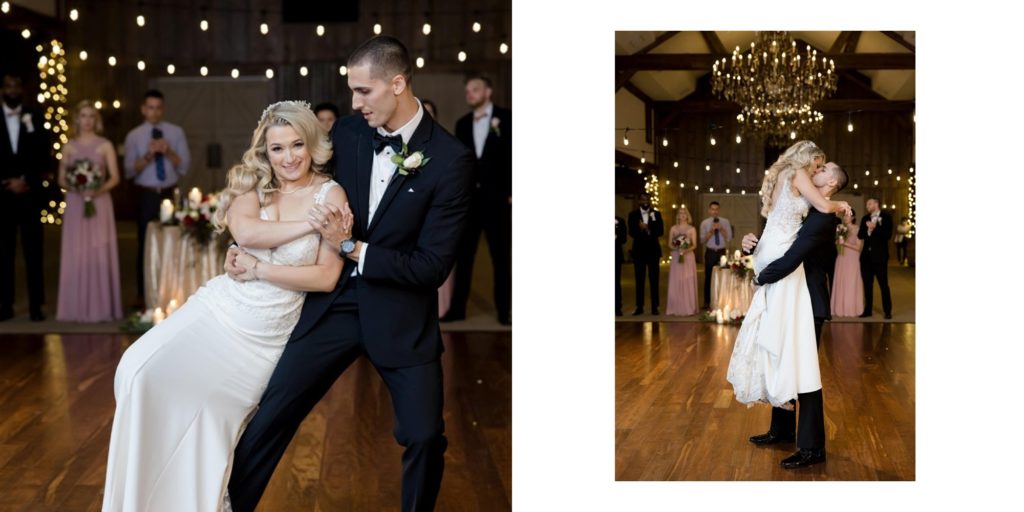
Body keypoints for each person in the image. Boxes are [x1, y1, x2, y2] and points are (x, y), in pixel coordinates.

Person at [225, 36, 474, 512]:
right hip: (332, 305)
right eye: (353, 92)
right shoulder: (348, 134)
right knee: (267, 419)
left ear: (397, 83)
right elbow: (284, 179)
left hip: (402, 315)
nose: (354, 102)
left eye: (364, 91)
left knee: (424, 436)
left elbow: (432, 267)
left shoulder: (450, 160)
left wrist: (351, 246)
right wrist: (242, 243)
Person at [103, 101, 349, 511]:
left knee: (206, 416)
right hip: (219, 309)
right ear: (264, 151)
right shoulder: (254, 184)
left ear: (311, 145)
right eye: (277, 148)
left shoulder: (330, 193)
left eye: (296, 145)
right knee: (136, 369)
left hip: (264, 333)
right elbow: (247, 232)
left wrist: (258, 269)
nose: (288, 158)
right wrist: (314, 224)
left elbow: (325, 277)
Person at [729, 144, 850, 470]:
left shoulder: (824, 217)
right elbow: (780, 231)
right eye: (818, 166)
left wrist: (760, 277)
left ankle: (812, 448)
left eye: (824, 170)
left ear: (831, 185)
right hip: (791, 295)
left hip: (809, 302)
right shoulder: (810, 207)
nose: (817, 170)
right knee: (782, 360)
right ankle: (781, 430)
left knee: (805, 373)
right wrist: (753, 243)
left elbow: (794, 256)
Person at [448, 74, 512, 324]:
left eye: (475, 89)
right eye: (467, 91)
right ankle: (457, 309)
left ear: (488, 91)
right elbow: (460, 164)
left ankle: (503, 311)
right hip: (469, 202)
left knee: (501, 257)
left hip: (498, 199)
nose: (470, 94)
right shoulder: (462, 123)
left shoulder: (508, 119)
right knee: (463, 257)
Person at [123, 89, 191, 308]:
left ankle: (173, 292)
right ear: (144, 109)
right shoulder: (134, 136)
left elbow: (185, 166)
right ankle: (143, 294)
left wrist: (168, 151)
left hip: (169, 192)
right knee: (145, 243)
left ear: (163, 109)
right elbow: (129, 171)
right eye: (150, 107)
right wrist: (149, 155)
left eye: (158, 107)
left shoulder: (175, 132)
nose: (154, 112)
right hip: (146, 194)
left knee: (173, 241)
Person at [56, 101, 123, 322]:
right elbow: (61, 178)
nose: (87, 120)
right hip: (76, 203)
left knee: (98, 248)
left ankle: (102, 308)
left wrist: (96, 190)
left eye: (91, 116)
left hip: (99, 203)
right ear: (76, 119)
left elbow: (115, 177)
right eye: (83, 116)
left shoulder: (105, 145)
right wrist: (77, 187)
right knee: (76, 251)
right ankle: (74, 308)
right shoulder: (69, 146)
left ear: (96, 120)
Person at [1, 73, 49, 322]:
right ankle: (4, 305)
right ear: (2, 89)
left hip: (29, 195)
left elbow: (44, 153)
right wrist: (6, 182)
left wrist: (26, 180)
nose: (12, 90)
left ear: (22, 89)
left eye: (16, 85)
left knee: (34, 252)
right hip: (2, 196)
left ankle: (35, 306)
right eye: (8, 85)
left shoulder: (35, 116)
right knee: (4, 254)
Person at [627, 192, 663, 315]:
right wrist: (640, 228)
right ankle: (639, 307)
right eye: (643, 199)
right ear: (639, 201)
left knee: (654, 280)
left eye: (647, 199)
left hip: (653, 251)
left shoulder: (656, 214)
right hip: (639, 251)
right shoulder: (633, 215)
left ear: (650, 201)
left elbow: (661, 231)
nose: (645, 201)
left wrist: (648, 228)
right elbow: (631, 232)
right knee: (639, 280)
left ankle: (654, 307)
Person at [858, 197, 893, 319]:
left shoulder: (887, 217)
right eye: (867, 204)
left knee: (883, 285)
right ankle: (868, 310)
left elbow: (887, 235)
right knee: (867, 285)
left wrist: (875, 228)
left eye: (869, 203)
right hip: (866, 258)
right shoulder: (865, 218)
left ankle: (887, 311)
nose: (867, 206)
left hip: (880, 257)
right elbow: (860, 235)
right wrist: (868, 230)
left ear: (876, 204)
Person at [830, 208, 864, 317]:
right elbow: (838, 245)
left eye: (848, 215)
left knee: (851, 282)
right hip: (841, 257)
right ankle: (839, 309)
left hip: (853, 259)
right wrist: (838, 243)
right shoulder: (840, 227)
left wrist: (844, 243)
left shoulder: (858, 229)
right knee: (841, 281)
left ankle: (851, 308)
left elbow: (858, 247)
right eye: (844, 215)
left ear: (853, 217)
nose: (845, 217)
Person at [665, 207, 698, 316]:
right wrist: (678, 249)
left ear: (687, 215)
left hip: (688, 257)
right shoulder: (673, 229)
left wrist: (685, 250)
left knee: (687, 280)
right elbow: (669, 244)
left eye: (684, 213)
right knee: (676, 280)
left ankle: (689, 307)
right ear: (678, 215)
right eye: (680, 213)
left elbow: (694, 245)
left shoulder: (692, 229)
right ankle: (674, 307)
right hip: (676, 256)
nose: (682, 214)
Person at [700, 201, 732, 310]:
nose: (715, 211)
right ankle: (707, 302)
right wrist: (711, 231)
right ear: (709, 210)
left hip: (721, 252)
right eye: (712, 209)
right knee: (708, 276)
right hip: (710, 251)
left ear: (719, 210)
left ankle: (722, 301)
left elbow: (729, 238)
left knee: (723, 276)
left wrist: (721, 229)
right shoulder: (704, 223)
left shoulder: (725, 221)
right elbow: (702, 240)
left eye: (716, 209)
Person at [615, 215, 627, 316]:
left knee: (616, 282)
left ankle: (617, 307)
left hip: (615, 255)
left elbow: (624, 239)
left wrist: (615, 237)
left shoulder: (620, 220)